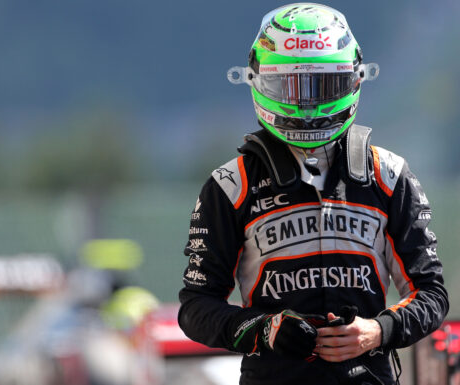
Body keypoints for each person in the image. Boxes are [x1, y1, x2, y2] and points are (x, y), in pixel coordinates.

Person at [177, 3, 449, 385]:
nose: (307, 104)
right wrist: (265, 329)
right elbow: (195, 308)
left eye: (321, 85)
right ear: (258, 82)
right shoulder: (230, 184)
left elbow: (432, 295)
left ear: (353, 82)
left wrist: (378, 330)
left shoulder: (389, 175)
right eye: (290, 85)